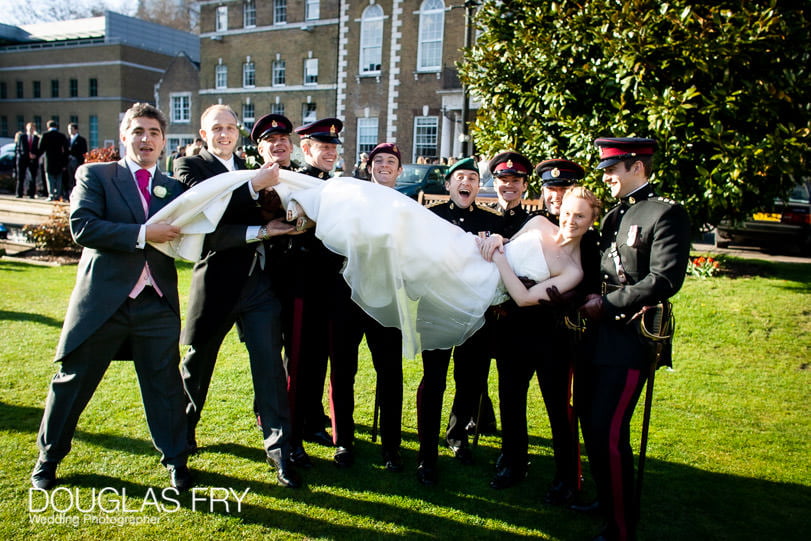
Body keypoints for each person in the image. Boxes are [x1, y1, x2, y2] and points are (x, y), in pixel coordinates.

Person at [30, 103, 193, 491]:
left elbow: (207, 226)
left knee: (166, 387)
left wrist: (262, 226)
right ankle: (48, 459)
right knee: (72, 381)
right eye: (138, 131)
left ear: (164, 141)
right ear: (124, 136)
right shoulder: (96, 175)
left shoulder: (173, 189)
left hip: (156, 304)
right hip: (104, 304)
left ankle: (176, 461)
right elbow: (83, 227)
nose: (146, 139)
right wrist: (143, 234)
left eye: (154, 132)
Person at [174, 105, 301, 489]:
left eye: (230, 127)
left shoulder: (251, 166)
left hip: (261, 286)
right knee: (197, 367)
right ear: (203, 131)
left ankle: (280, 452)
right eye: (217, 128)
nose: (224, 134)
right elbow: (204, 223)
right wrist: (256, 201)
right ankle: (180, 441)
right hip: (217, 285)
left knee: (270, 369)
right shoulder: (189, 167)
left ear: (238, 132)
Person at [577, 137, 690, 541]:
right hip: (598, 336)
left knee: (609, 430)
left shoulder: (665, 214)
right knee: (590, 422)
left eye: (612, 170)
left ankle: (621, 525)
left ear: (636, 167)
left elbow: (664, 279)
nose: (606, 177)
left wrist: (607, 305)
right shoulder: (614, 217)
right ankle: (607, 501)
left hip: (630, 338)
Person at [488, 156, 599, 503]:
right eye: (551, 188)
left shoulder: (589, 243)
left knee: (558, 406)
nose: (556, 196)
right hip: (514, 328)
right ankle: (513, 461)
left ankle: (567, 475)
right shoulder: (531, 221)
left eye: (563, 189)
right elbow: (507, 253)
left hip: (556, 336)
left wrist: (572, 298)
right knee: (510, 397)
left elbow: (593, 286)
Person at [415, 157, 503, 486]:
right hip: (437, 308)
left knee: (470, 380)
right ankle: (426, 455)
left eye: (472, 178)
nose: (465, 182)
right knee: (433, 380)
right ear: (448, 185)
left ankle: (456, 435)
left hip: (475, 312)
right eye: (459, 177)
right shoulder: (429, 218)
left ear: (478, 187)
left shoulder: (491, 221)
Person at [327, 143, 405, 470]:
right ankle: (343, 440)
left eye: (391, 162)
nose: (384, 166)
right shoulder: (353, 198)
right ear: (368, 166)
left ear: (399, 170)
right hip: (347, 298)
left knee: (390, 372)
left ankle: (391, 446)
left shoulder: (408, 207)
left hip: (386, 299)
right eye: (379, 161)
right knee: (343, 370)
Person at [277, 118, 346, 469]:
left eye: (334, 147)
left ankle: (312, 420)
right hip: (301, 281)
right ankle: (289, 431)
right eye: (324, 147)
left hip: (329, 284)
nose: (331, 152)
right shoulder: (295, 181)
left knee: (319, 356)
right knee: (299, 358)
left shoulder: (336, 185)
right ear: (306, 149)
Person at [38, 120, 69, 201]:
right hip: (59, 160)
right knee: (59, 178)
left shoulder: (45, 135)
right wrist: (64, 162)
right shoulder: (62, 136)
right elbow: (66, 150)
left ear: (48, 127)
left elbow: (40, 148)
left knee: (50, 178)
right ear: (56, 126)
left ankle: (51, 194)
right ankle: (58, 194)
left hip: (49, 160)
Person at [15, 123, 39, 198]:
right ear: (26, 128)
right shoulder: (22, 137)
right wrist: (27, 154)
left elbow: (39, 149)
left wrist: (35, 155)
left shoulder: (36, 138)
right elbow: (19, 148)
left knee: (33, 178)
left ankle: (31, 194)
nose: (31, 129)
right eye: (30, 128)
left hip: (33, 160)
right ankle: (19, 193)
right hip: (23, 159)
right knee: (21, 177)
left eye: (32, 128)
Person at [66, 123, 88, 198]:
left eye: (71, 129)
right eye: (69, 129)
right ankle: (69, 193)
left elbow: (84, 152)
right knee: (69, 178)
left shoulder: (81, 140)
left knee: (76, 177)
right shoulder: (67, 140)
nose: (70, 131)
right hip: (68, 161)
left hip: (77, 161)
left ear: (76, 130)